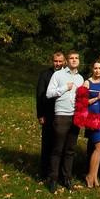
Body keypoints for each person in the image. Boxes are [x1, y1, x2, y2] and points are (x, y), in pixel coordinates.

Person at [45, 50, 83, 192]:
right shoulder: (58, 75)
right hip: (61, 115)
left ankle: (67, 178)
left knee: (70, 149)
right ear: (67, 61)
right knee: (58, 148)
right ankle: (53, 178)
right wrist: (64, 88)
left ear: (79, 61)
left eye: (76, 58)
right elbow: (49, 93)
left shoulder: (80, 78)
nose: (74, 60)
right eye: (71, 58)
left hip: (76, 116)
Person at [36, 50, 65, 180]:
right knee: (47, 143)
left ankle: (59, 172)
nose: (57, 63)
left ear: (64, 61)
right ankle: (44, 172)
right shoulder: (45, 75)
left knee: (60, 144)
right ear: (52, 61)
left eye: (60, 61)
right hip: (48, 113)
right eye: (55, 61)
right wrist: (40, 114)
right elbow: (40, 95)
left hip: (64, 114)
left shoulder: (67, 75)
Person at [82, 60, 100, 188]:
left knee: (99, 148)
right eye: (95, 68)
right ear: (92, 69)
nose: (97, 70)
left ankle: (95, 176)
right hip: (92, 116)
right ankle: (89, 175)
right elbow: (83, 102)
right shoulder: (87, 82)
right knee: (99, 147)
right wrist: (96, 98)